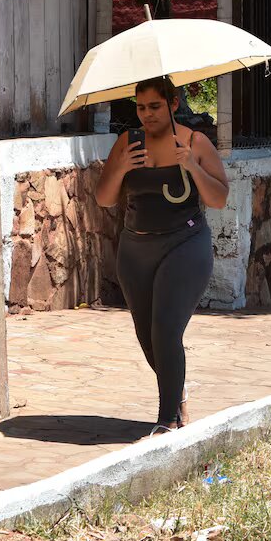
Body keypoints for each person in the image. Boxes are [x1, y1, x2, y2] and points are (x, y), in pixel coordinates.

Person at [96, 76, 230, 435]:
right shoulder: (128, 142)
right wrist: (122, 168)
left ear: (172, 104)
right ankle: (177, 390)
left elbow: (218, 198)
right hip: (136, 249)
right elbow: (104, 197)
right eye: (140, 108)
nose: (147, 115)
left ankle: (168, 419)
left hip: (184, 245)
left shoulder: (194, 142)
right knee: (147, 336)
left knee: (166, 330)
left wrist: (192, 166)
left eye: (155, 106)